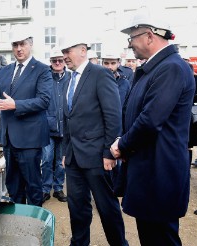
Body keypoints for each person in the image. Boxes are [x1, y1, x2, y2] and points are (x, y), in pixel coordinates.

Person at [110, 8, 194, 245]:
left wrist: (121, 146)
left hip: (160, 171)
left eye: (132, 38)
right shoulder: (155, 68)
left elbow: (150, 120)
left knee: (161, 238)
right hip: (149, 169)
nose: (130, 45)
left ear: (149, 36)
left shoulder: (171, 68)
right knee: (151, 236)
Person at [59, 36, 128, 246]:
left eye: (67, 51)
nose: (64, 56)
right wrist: (65, 152)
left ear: (82, 50)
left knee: (107, 207)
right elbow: (68, 118)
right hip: (73, 158)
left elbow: (113, 115)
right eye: (62, 52)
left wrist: (109, 152)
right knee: (77, 208)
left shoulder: (100, 75)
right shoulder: (70, 79)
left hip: (97, 157)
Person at [0, 25, 53, 206]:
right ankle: (17, 222)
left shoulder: (42, 70)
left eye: (22, 44)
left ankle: (34, 227)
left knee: (33, 186)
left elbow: (44, 101)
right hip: (8, 139)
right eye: (15, 45)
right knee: (13, 186)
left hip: (30, 139)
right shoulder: (5, 71)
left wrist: (16, 105)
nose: (19, 49)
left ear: (30, 44)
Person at [41, 47, 70, 203]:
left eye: (60, 60)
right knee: (46, 159)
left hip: (65, 128)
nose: (57, 63)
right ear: (50, 62)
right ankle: (45, 188)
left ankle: (58, 188)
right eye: (54, 61)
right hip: (47, 127)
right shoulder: (45, 78)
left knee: (60, 161)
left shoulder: (71, 78)